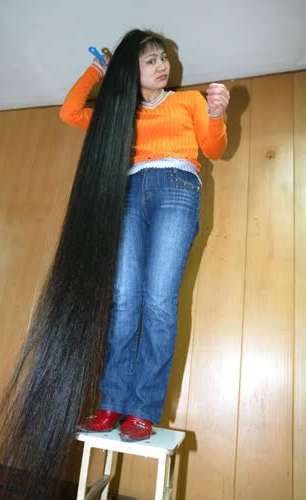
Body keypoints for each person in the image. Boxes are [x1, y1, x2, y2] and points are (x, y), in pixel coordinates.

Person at [59, 29, 229, 442]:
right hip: (129, 194)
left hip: (178, 188)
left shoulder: (188, 100)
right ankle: (111, 403)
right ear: (131, 72)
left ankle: (142, 410)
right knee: (123, 300)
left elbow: (214, 149)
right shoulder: (120, 115)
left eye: (163, 57)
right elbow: (69, 112)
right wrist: (98, 70)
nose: (161, 65)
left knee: (157, 302)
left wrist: (218, 113)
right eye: (150, 60)